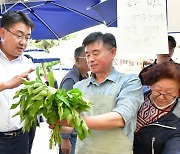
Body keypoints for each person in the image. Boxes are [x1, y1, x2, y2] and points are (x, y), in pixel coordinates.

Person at [56, 32, 144, 154]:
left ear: (113, 52)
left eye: (96, 53)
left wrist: (74, 121)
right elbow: (70, 127)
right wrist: (57, 122)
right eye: (87, 55)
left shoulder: (129, 82)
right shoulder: (79, 87)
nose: (91, 59)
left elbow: (118, 119)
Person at [0, 11, 35, 154]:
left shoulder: (28, 64)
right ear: (2, 33)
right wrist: (6, 84)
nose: (23, 42)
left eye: (27, 37)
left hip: (20, 138)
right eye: (19, 36)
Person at [134, 62, 180, 154]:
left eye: (169, 93)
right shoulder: (135, 94)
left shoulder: (177, 119)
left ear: (178, 93)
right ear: (150, 84)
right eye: (158, 90)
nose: (161, 96)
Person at [59, 46, 90, 154]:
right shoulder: (71, 80)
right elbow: (64, 109)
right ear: (77, 60)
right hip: (70, 136)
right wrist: (65, 138)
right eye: (87, 57)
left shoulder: (84, 77)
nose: (91, 60)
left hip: (78, 133)